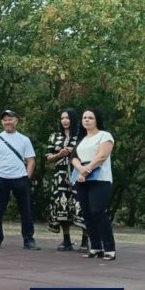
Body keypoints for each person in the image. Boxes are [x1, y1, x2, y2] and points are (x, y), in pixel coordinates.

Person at [0, 110, 40, 250]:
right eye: (5, 120)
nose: (8, 122)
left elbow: (31, 161)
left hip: (20, 178)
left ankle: (28, 240)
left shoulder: (24, 139)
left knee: (26, 210)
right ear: (1, 122)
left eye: (10, 119)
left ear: (16, 121)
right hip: (0, 177)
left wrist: (27, 177)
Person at [71, 108, 116, 261]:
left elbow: (102, 156)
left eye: (91, 117)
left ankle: (109, 248)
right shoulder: (82, 139)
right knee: (87, 213)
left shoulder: (105, 135)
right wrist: (80, 170)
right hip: (82, 180)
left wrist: (86, 171)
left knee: (98, 211)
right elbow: (74, 157)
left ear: (97, 120)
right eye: (85, 118)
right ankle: (96, 247)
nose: (87, 120)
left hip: (100, 179)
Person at [45, 108, 86, 251]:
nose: (64, 121)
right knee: (62, 207)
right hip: (60, 176)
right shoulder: (54, 136)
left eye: (67, 118)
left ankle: (85, 241)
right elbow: (48, 157)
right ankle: (66, 240)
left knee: (80, 205)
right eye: (62, 118)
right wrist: (60, 154)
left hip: (78, 175)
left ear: (73, 119)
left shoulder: (81, 136)